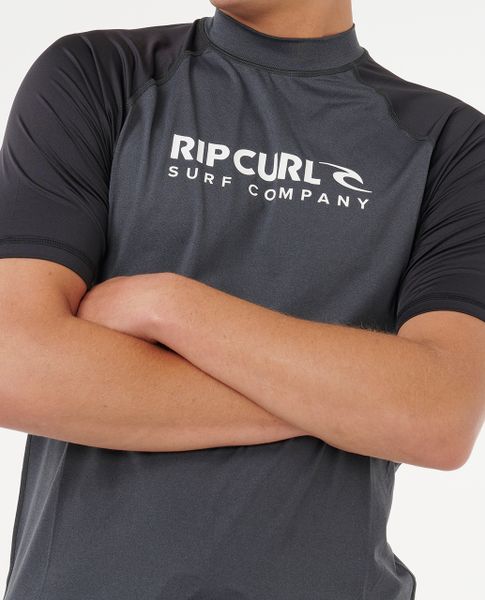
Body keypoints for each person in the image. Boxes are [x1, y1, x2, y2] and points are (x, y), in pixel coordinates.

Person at [1, 0, 484, 598]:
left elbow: (440, 418)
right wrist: (347, 401)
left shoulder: (452, 145)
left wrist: (167, 305)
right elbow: (15, 367)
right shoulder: (99, 74)